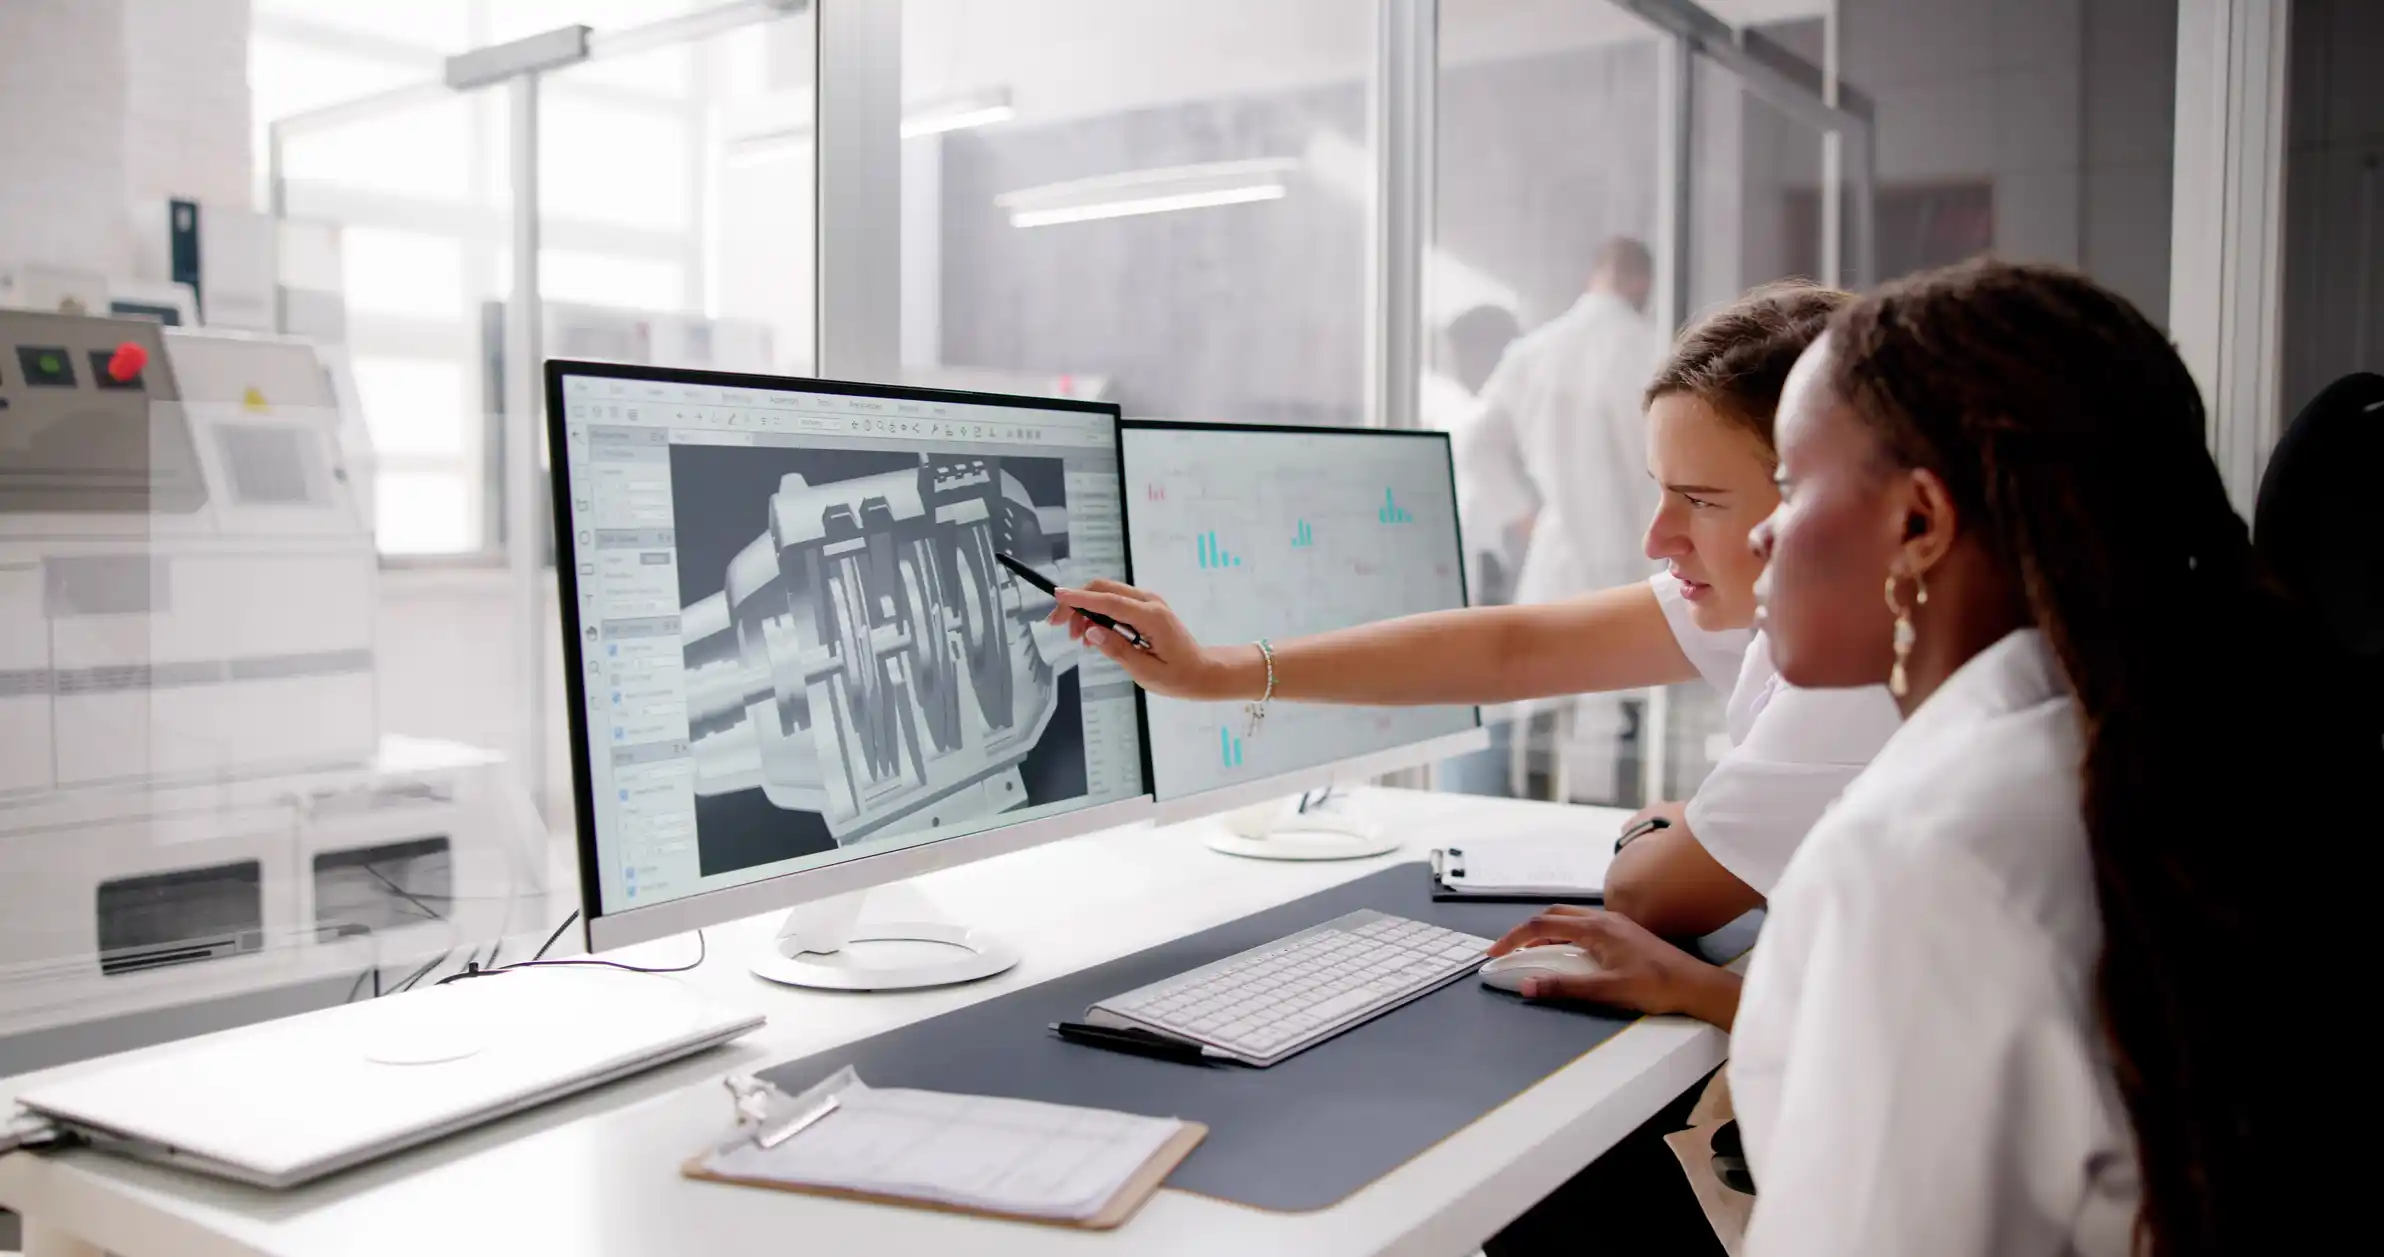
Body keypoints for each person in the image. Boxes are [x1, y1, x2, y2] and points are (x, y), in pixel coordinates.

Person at [1520, 258, 2363, 1254]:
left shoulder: (1918, 856)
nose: (1766, 532)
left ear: (1917, 525)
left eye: (1787, 487)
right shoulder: (2133, 746)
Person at [1054, 281, 1900, 1024]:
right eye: (1660, 492)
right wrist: (1220, 672)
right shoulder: (1804, 612)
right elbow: (1515, 647)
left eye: (1700, 500)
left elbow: (1651, 895)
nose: (1655, 538)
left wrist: (1685, 824)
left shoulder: (1852, 676)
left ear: (1824, 500)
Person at [1456, 238, 1668, 798]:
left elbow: (1477, 443)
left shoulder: (1536, 352)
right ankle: (1618, 834)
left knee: (1545, 710)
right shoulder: (1658, 352)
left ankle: (1535, 819)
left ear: (1595, 274)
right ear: (1643, 284)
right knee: (1628, 714)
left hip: (1560, 554)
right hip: (1636, 555)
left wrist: (1523, 513)